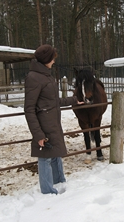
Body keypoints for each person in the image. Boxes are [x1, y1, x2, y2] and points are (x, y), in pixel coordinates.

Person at [24, 44, 82, 194]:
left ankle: (59, 183)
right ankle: (48, 191)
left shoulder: (45, 75)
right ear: (46, 59)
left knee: (55, 153)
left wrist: (74, 100)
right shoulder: (34, 78)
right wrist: (38, 134)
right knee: (45, 157)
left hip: (53, 122)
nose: (54, 61)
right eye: (52, 58)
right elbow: (29, 109)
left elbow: (53, 102)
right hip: (44, 124)